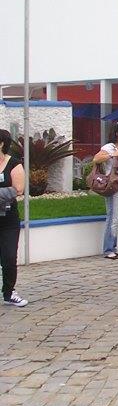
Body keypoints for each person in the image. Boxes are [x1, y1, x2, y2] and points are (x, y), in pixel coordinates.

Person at [93, 122, 118, 259]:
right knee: (112, 217)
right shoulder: (109, 147)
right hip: (113, 185)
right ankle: (108, 248)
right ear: (117, 134)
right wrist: (112, 155)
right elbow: (96, 159)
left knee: (117, 217)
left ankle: (113, 246)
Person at [0, 130, 27, 306]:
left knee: (9, 257)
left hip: (8, 219)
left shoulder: (14, 163)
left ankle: (9, 292)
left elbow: (18, 189)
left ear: (2, 143)